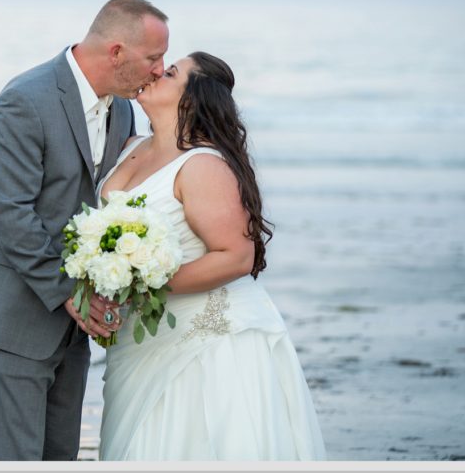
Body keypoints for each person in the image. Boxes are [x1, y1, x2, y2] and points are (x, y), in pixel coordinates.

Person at [0, 0, 170, 460]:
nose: (159, 71)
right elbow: (12, 215)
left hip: (71, 326)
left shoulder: (122, 109)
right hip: (10, 315)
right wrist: (72, 294)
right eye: (152, 58)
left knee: (59, 457)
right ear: (116, 52)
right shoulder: (25, 100)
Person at [96, 51, 326, 461]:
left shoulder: (202, 164)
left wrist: (143, 283)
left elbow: (237, 256)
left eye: (169, 73)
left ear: (191, 98)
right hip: (141, 339)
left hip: (207, 340)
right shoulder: (130, 145)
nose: (154, 73)